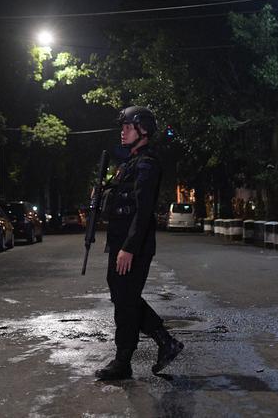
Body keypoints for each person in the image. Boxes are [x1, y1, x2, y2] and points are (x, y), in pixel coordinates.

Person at [95, 106, 184, 381]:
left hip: (133, 246)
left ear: (142, 130)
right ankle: (162, 342)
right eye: (122, 127)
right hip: (120, 242)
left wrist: (129, 248)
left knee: (126, 300)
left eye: (128, 127)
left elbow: (143, 211)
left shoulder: (147, 164)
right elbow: (120, 201)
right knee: (123, 299)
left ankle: (126, 360)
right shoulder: (130, 163)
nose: (123, 132)